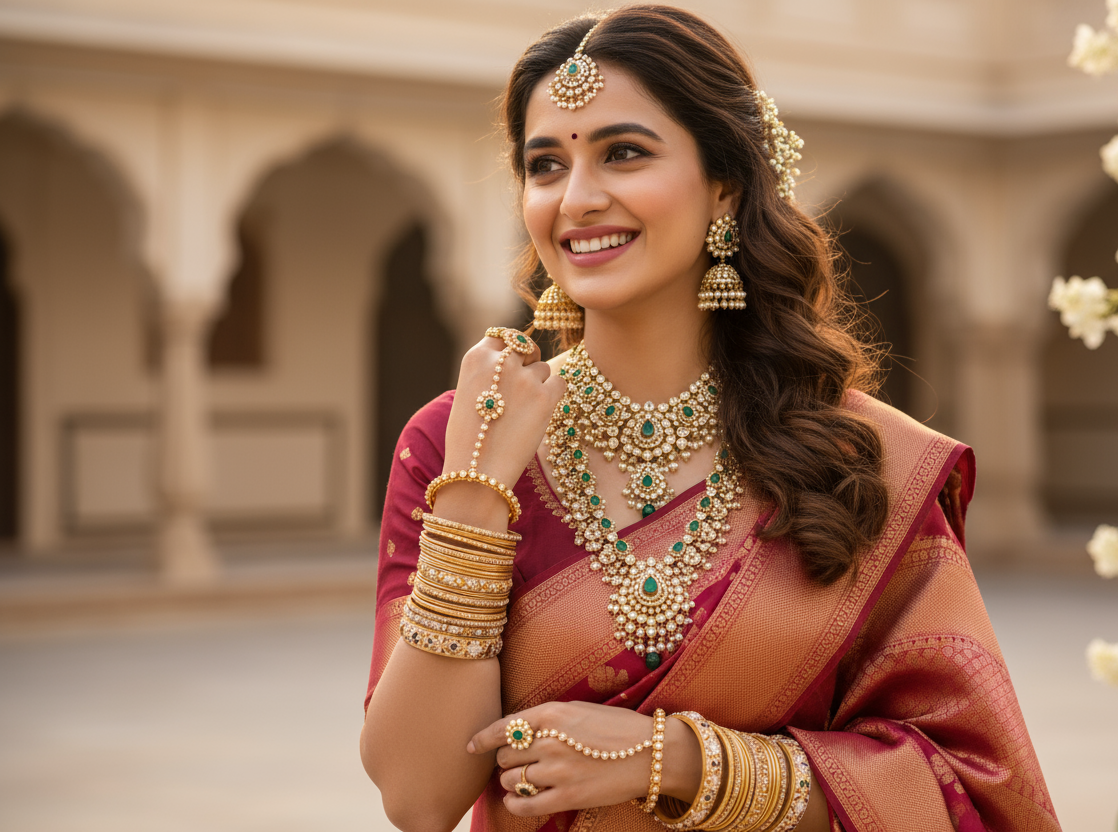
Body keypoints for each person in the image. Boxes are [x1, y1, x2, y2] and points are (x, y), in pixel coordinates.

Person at [360, 6, 1061, 832]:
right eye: (544, 165)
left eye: (624, 153)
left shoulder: (858, 457)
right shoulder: (460, 440)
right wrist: (477, 496)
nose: (577, 199)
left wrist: (679, 762)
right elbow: (417, 796)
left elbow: (966, 787)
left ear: (724, 184)